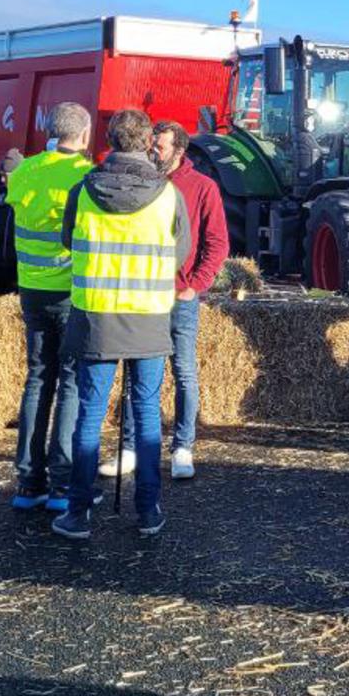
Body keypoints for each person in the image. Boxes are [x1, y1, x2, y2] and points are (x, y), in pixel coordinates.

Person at [51, 108, 190, 542]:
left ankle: (77, 515)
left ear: (108, 139)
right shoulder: (169, 195)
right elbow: (181, 252)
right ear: (148, 142)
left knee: (90, 415)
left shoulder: (83, 190)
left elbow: (67, 240)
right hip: (148, 319)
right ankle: (148, 511)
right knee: (147, 415)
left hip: (96, 318)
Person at [5, 104, 93, 512]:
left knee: (38, 379)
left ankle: (28, 481)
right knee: (71, 383)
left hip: (30, 289)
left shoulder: (25, 170)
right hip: (68, 292)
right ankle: (62, 484)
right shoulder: (84, 176)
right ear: (85, 135)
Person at [133, 118, 229, 482]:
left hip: (180, 295)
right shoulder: (142, 182)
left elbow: (217, 243)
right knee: (139, 374)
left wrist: (197, 285)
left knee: (184, 371)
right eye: (151, 145)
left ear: (179, 150)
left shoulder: (202, 187)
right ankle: (131, 447)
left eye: (160, 146)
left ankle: (183, 446)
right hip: (143, 296)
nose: (153, 150)